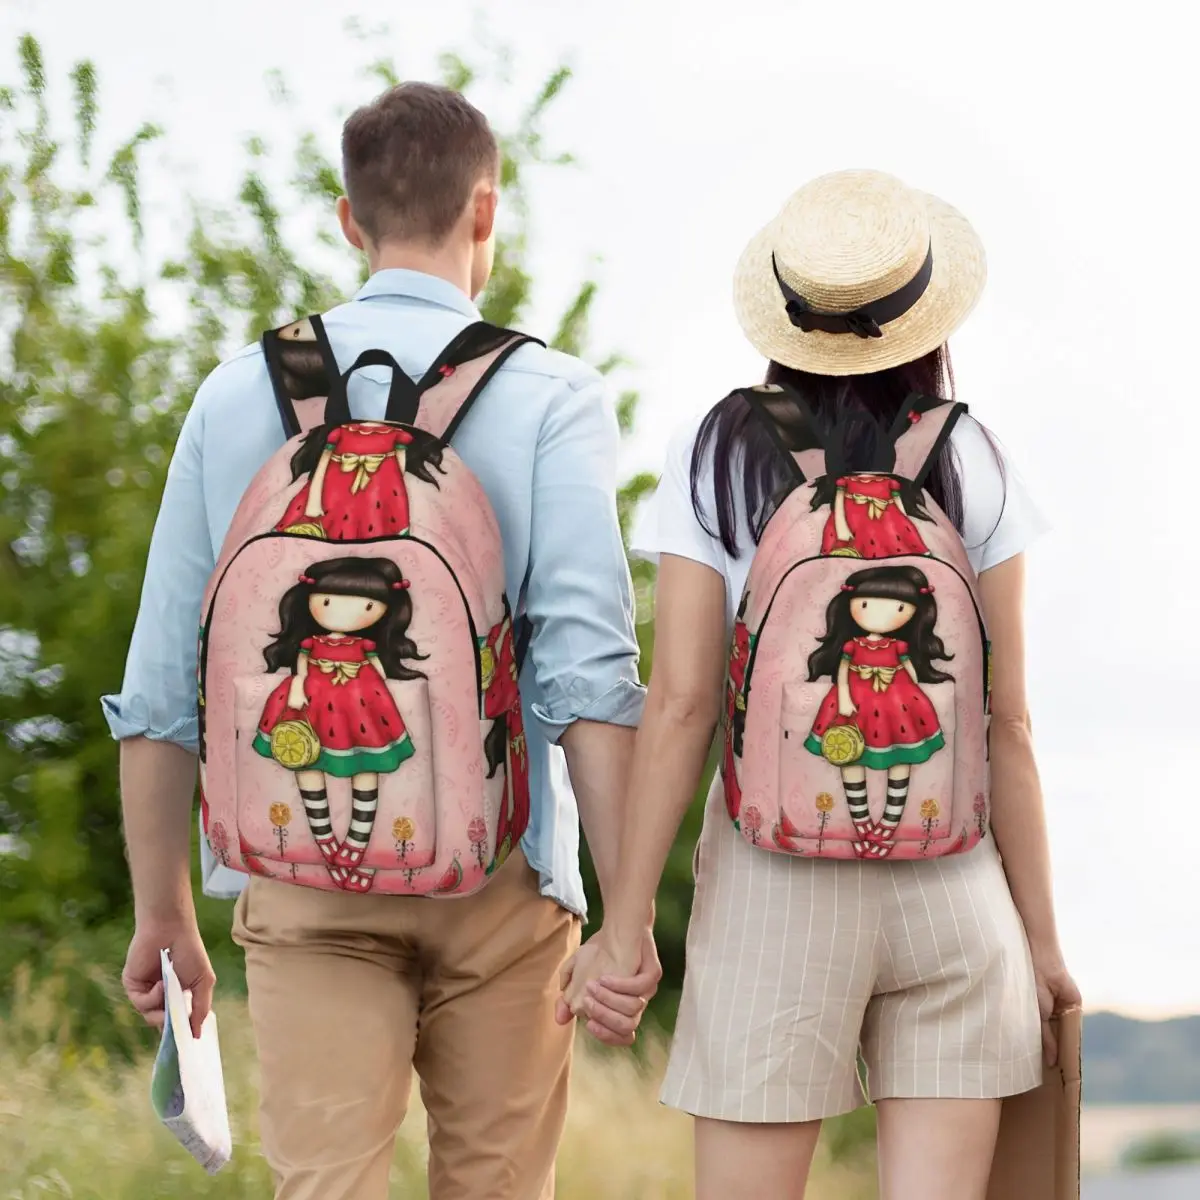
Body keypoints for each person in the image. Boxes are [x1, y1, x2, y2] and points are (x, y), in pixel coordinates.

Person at [106, 81, 660, 1200]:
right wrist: (627, 915)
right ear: (486, 213)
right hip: (502, 876)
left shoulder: (234, 395)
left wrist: (162, 910)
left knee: (325, 1186)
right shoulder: (551, 394)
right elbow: (588, 679)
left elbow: (163, 681)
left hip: (298, 872)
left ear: (348, 219)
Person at [560, 169, 1081, 1200]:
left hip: (773, 885)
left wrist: (624, 927)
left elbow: (682, 706)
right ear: (925, 316)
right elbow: (1008, 722)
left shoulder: (717, 451)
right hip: (955, 885)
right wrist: (1043, 943)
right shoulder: (972, 454)